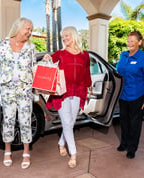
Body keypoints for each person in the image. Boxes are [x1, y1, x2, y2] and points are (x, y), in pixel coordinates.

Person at [0, 17, 36, 169]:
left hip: (25, 88)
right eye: (28, 28)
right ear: (18, 27)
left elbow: (34, 67)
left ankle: (26, 152)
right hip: (7, 88)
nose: (30, 32)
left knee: (25, 120)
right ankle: (7, 151)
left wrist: (45, 62)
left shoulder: (30, 47)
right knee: (8, 120)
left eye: (31, 29)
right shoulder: (2, 44)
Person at [43, 26, 92, 168]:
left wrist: (88, 87)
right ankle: (74, 154)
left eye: (67, 36)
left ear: (74, 36)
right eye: (63, 36)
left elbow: (86, 73)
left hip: (78, 90)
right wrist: (47, 57)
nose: (64, 39)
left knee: (70, 122)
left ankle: (61, 143)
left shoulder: (85, 55)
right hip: (62, 92)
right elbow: (50, 61)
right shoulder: (60, 53)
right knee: (66, 122)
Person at [116, 30, 144, 159]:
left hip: (136, 96)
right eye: (128, 41)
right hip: (123, 95)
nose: (129, 43)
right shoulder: (123, 55)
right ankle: (124, 143)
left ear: (139, 42)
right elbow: (118, 72)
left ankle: (132, 148)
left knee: (134, 123)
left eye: (132, 41)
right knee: (124, 121)